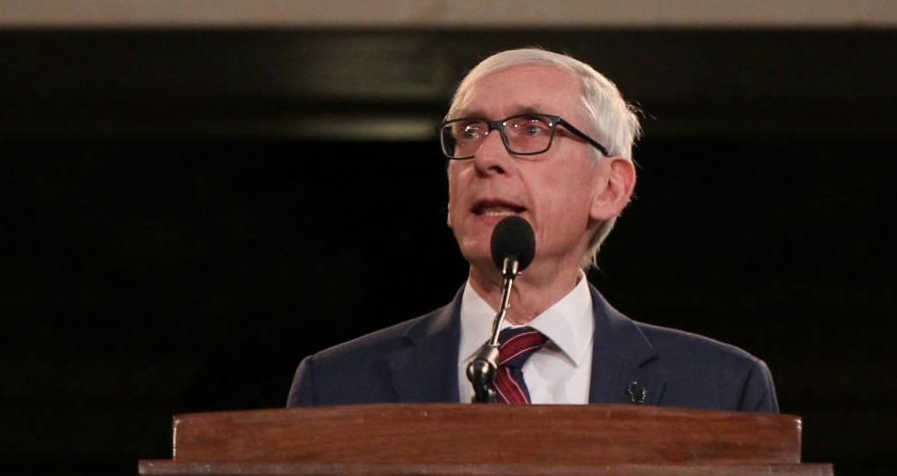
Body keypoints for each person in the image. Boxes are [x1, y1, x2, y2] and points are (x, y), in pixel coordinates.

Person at [287, 47, 778, 411]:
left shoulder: (721, 389)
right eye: (470, 132)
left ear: (609, 187)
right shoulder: (335, 387)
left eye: (532, 129)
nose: (486, 158)